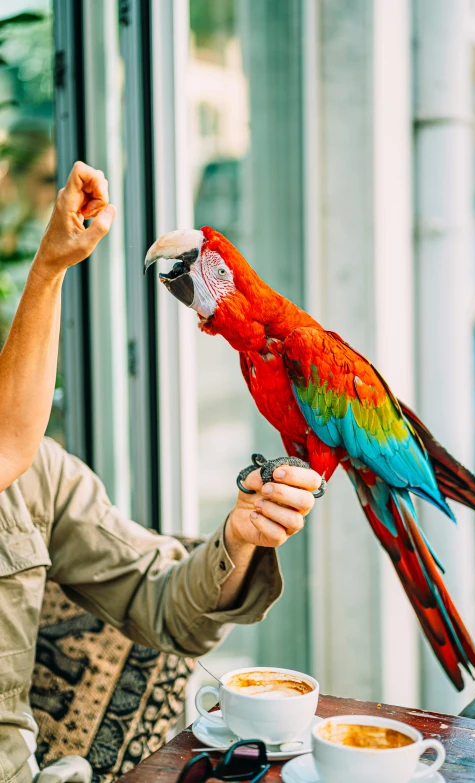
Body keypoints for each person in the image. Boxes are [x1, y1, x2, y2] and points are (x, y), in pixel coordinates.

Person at [0, 163, 321, 783]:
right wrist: (49, 269)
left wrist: (238, 538)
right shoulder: (18, 448)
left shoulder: (41, 476)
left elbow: (166, 603)